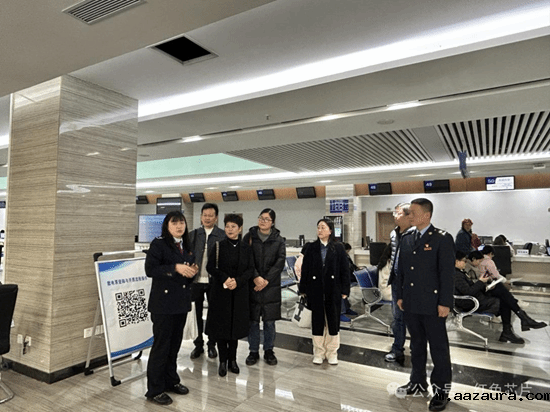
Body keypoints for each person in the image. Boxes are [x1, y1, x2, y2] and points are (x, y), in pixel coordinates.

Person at [395, 198, 454, 411]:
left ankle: (441, 391)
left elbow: (447, 274)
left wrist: (445, 302)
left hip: (433, 303)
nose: (409, 216)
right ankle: (417, 381)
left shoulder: (442, 238)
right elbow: (401, 270)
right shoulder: (407, 237)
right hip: (411, 302)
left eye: (413, 212)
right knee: (416, 345)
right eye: (408, 212)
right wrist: (400, 296)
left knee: (438, 348)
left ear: (426, 215)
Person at [144, 211, 199, 406]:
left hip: (180, 303)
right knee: (161, 347)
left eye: (181, 222)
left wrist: (192, 272)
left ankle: (171, 380)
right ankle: (155, 389)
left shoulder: (187, 245)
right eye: (174, 223)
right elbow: (150, 270)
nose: (179, 226)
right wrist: (175, 267)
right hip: (163, 304)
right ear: (167, 226)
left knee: (174, 346)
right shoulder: (158, 244)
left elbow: (187, 276)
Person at [205, 214, 254, 377]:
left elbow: (250, 270)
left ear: (240, 229)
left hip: (239, 293)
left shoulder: (246, 248)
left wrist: (237, 281)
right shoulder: (218, 246)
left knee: (235, 327)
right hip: (221, 292)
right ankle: (223, 361)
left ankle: (233, 360)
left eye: (233, 226)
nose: (230, 229)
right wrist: (225, 278)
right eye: (227, 226)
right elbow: (210, 267)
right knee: (221, 328)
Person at [298, 218, 350, 365]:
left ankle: (332, 352)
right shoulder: (311, 247)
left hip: (333, 289)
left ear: (330, 230)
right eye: (318, 227)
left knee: (333, 322)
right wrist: (303, 289)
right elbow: (305, 269)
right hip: (315, 290)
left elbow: (344, 270)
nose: (320, 230)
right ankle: (319, 352)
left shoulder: (338, 248)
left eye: (323, 227)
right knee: (317, 322)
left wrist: (345, 289)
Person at [243, 208, 286, 367]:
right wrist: (255, 277)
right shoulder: (249, 237)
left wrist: (266, 280)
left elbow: (280, 262)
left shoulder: (279, 240)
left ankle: (269, 350)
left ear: (272, 222)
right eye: (261, 218)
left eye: (267, 219)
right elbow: (245, 259)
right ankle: (253, 351)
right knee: (253, 321)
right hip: (252, 285)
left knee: (269, 322)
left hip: (270, 287)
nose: (263, 221)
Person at [469, 250, 547, 333]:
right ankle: (522, 318)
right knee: (504, 295)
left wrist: (487, 281)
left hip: (481, 289)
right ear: (473, 259)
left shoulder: (473, 266)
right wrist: (482, 282)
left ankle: (517, 323)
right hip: (476, 294)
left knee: (503, 293)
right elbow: (470, 287)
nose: (480, 263)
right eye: (479, 261)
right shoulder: (468, 268)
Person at [188, 203, 226, 360]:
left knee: (214, 314)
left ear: (216, 218)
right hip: (195, 281)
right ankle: (198, 344)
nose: (207, 218)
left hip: (214, 281)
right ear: (201, 217)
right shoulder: (193, 235)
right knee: (195, 314)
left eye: (211, 215)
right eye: (205, 215)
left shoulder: (222, 235)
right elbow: (186, 255)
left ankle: (212, 344)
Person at [385, 202, 414, 364]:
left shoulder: (417, 234)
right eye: (394, 213)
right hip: (396, 282)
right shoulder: (393, 233)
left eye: (398, 213)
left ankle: (417, 349)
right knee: (398, 318)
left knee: (415, 318)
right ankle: (397, 349)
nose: (395, 216)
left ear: (409, 216)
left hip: (413, 284)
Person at [340, 243, 359, 322]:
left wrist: (357, 268)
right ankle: (340, 313)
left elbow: (351, 266)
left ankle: (346, 308)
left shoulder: (346, 256)